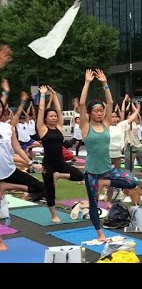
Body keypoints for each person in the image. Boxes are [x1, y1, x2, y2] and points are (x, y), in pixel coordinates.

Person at [79, 68, 140, 242]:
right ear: (90, 113)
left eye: (101, 110)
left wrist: (105, 84)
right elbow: (82, 104)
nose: (99, 113)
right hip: (91, 172)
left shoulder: (106, 124)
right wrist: (88, 83)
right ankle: (100, 233)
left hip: (107, 170)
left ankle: (104, 183)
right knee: (93, 203)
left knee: (132, 181)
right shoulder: (85, 127)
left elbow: (111, 103)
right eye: (96, 111)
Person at [0, 97, 46, 251]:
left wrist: (31, 163)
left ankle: (7, 186)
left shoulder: (8, 128)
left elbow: (18, 149)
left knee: (40, 188)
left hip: (9, 171)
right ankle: (0, 241)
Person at [37, 85, 84, 222]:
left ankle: (59, 176)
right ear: (45, 118)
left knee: (79, 175)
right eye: (50, 116)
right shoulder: (42, 129)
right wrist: (42, 95)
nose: (53, 117)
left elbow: (59, 110)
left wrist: (54, 95)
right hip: (48, 165)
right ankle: (53, 215)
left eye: (54, 116)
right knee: (50, 191)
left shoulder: (59, 127)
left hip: (61, 163)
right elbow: (41, 110)